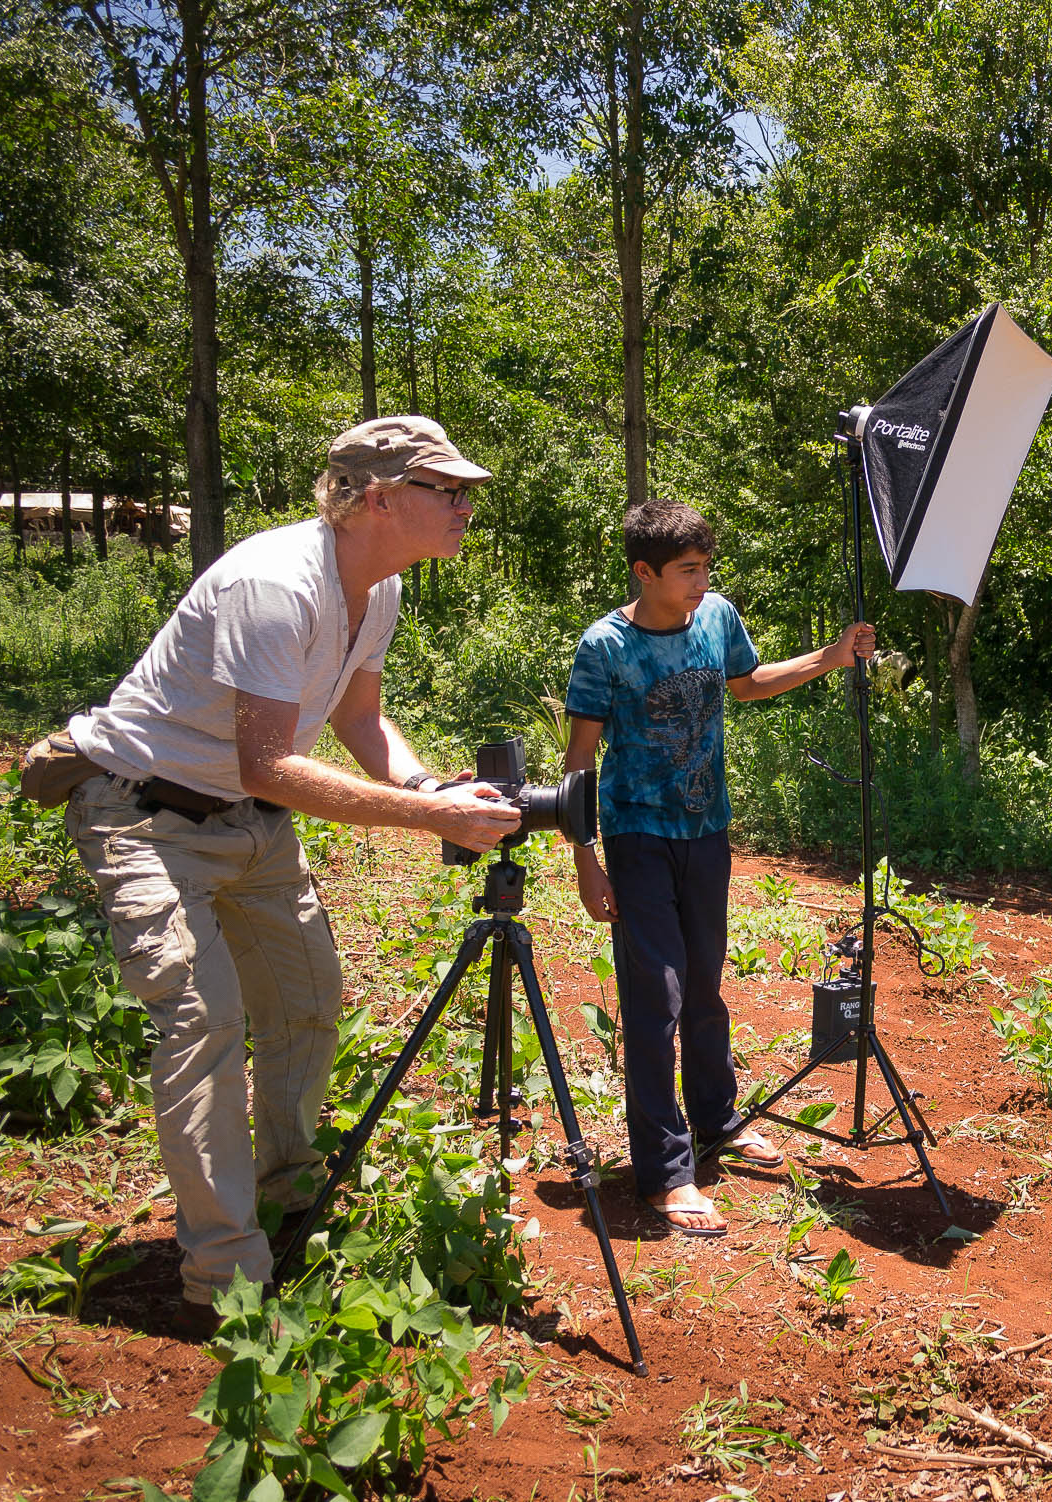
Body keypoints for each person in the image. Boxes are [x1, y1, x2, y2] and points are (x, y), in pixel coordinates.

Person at [55, 416, 523, 1336]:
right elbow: (271, 762)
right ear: (379, 498)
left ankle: (289, 1192)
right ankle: (223, 1276)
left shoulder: (375, 589)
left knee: (310, 1000)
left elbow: (360, 719)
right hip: (149, 815)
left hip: (251, 825)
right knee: (204, 1024)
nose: (467, 507)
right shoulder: (275, 583)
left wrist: (427, 781)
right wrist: (431, 816)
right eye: (450, 491)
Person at [563, 501, 873, 1236]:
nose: (702, 582)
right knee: (656, 996)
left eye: (706, 568)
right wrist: (585, 859)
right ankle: (665, 1171)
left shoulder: (716, 618)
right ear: (645, 572)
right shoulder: (605, 646)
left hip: (708, 832)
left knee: (705, 984)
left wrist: (830, 656)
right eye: (687, 571)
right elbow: (579, 761)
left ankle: (717, 1121)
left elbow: (748, 682)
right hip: (636, 837)